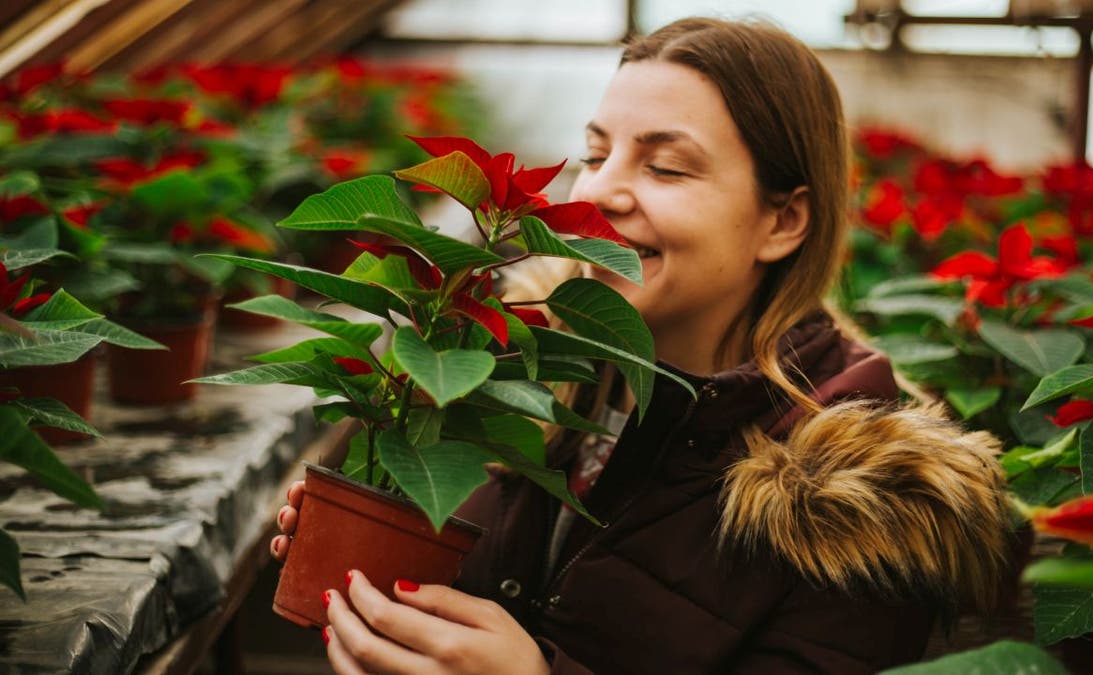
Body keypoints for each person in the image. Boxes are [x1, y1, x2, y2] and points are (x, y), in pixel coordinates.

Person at [272, 16, 1011, 674]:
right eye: (595, 155)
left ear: (782, 222)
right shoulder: (528, 371)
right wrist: (364, 549)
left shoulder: (855, 496)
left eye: (664, 166)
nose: (597, 194)